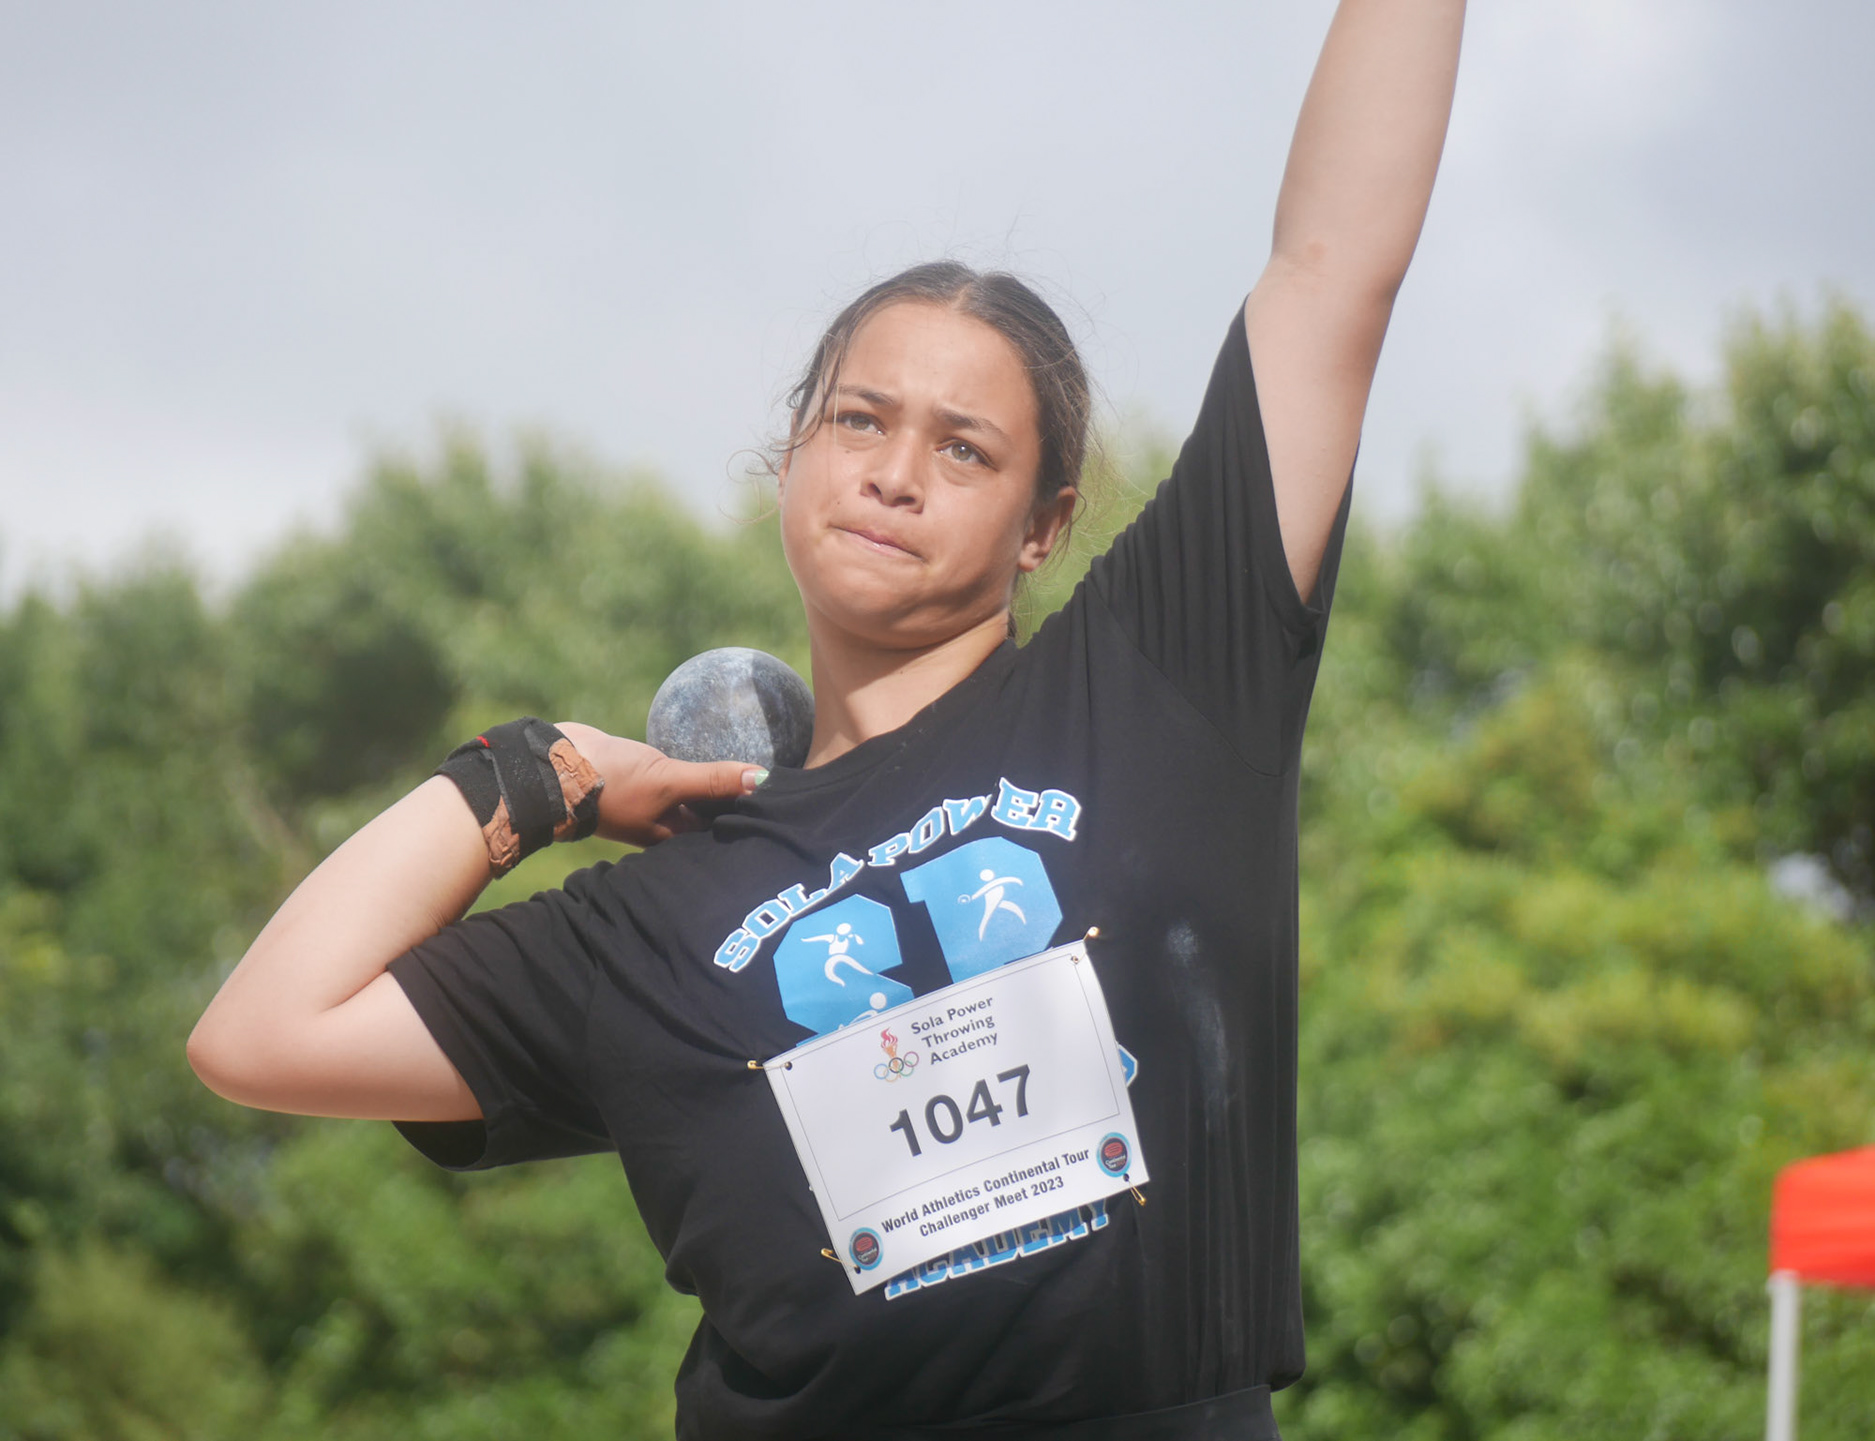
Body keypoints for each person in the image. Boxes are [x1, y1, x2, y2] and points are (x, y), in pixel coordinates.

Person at [187, 4, 1465, 1435]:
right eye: (860, 420)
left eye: (963, 448)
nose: (895, 473)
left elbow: (1332, 266)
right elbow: (262, 1031)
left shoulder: (1158, 681)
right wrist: (544, 775)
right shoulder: (661, 915)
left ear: (1045, 526)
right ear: (791, 453)